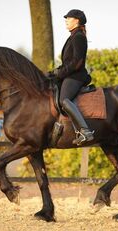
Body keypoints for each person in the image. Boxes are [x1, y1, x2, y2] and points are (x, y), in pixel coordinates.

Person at [49, 9, 94, 145]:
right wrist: (54, 72)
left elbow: (77, 62)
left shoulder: (79, 36)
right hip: (69, 74)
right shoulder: (73, 36)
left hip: (76, 76)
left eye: (69, 18)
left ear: (77, 21)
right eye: (66, 19)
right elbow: (68, 62)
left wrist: (60, 73)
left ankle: (85, 131)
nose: (66, 21)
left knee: (64, 99)